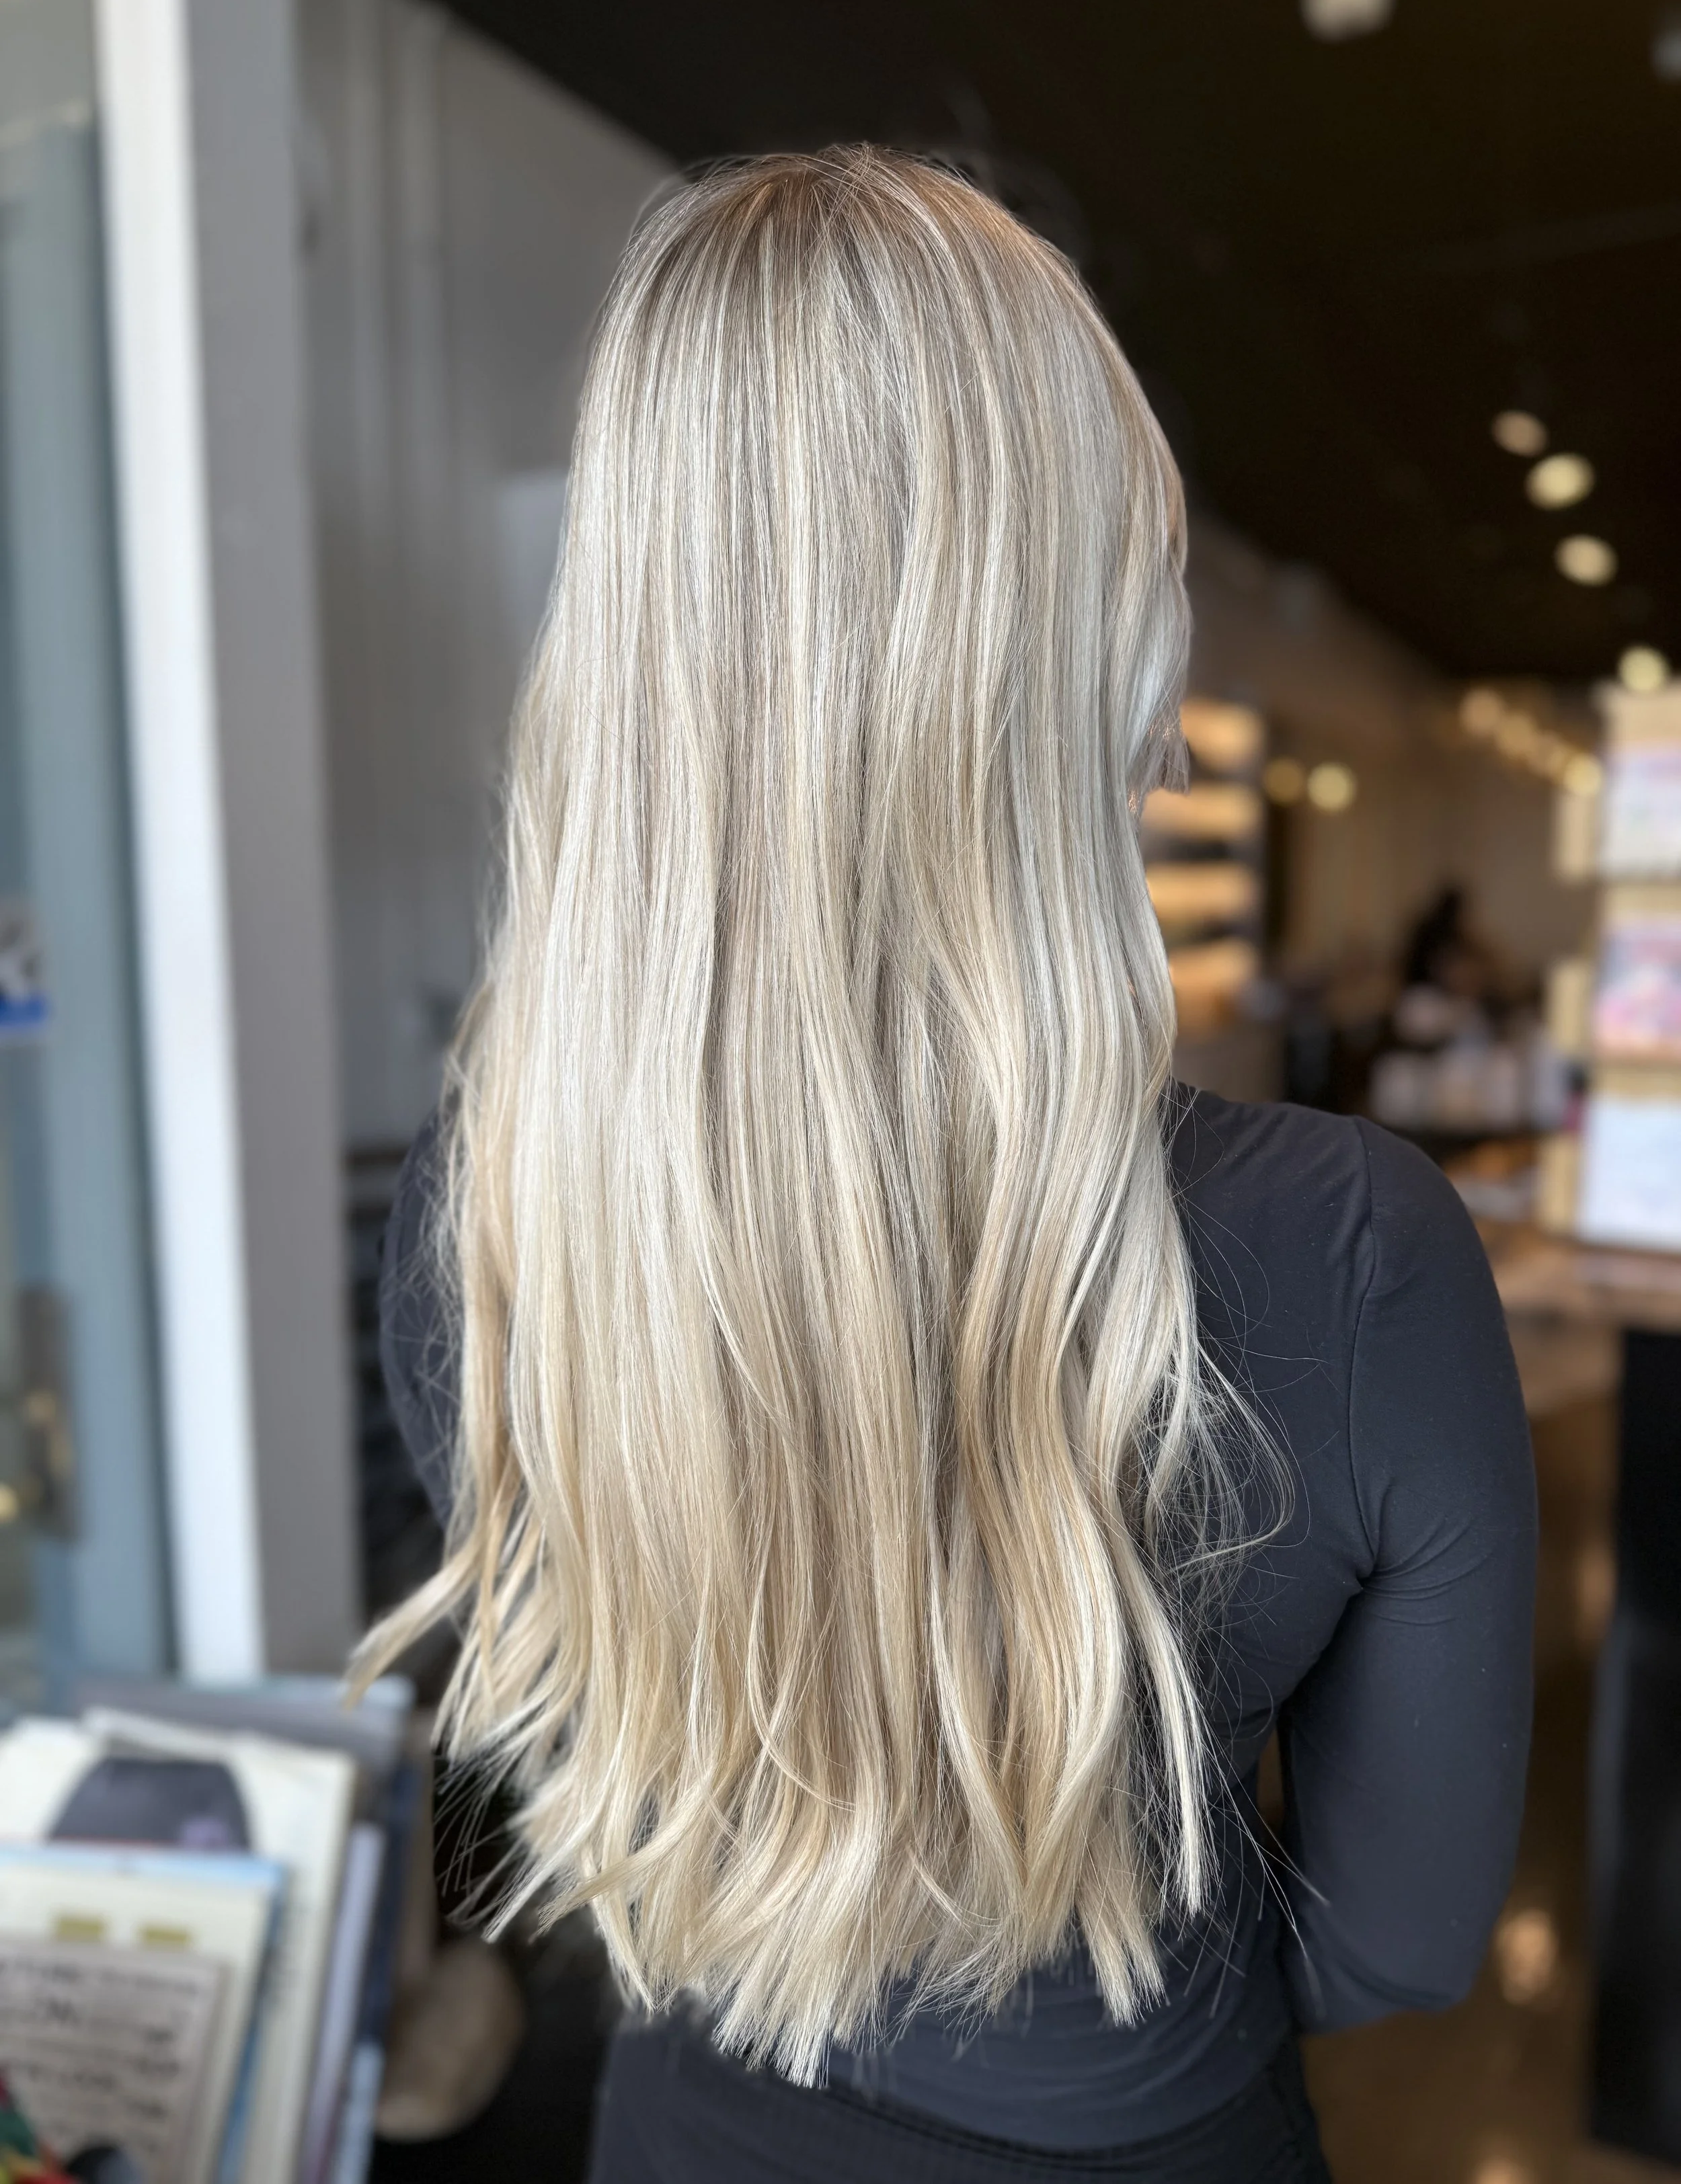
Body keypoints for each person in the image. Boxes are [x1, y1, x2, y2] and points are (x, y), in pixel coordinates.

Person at [365, 149, 1536, 2183]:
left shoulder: (487, 1197)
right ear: (1094, 652)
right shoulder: (1353, 1250)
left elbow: (584, 1728)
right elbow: (1403, 1941)